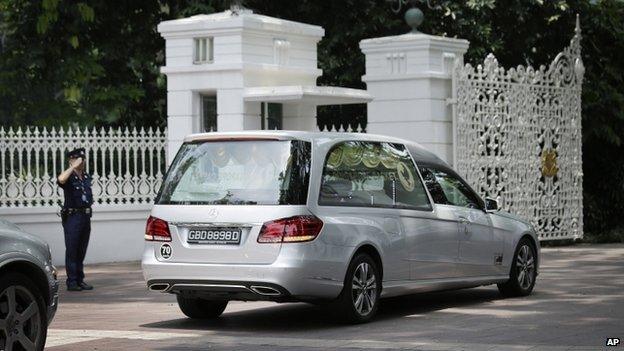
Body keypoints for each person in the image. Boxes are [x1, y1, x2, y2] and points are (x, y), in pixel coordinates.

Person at [57, 147, 94, 291]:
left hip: (85, 216)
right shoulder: (68, 177)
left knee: (81, 250)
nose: (81, 162)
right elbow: (60, 179)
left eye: (82, 159)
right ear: (71, 160)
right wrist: (72, 167)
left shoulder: (86, 177)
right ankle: (72, 282)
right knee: (72, 249)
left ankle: (80, 279)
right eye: (78, 159)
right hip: (73, 217)